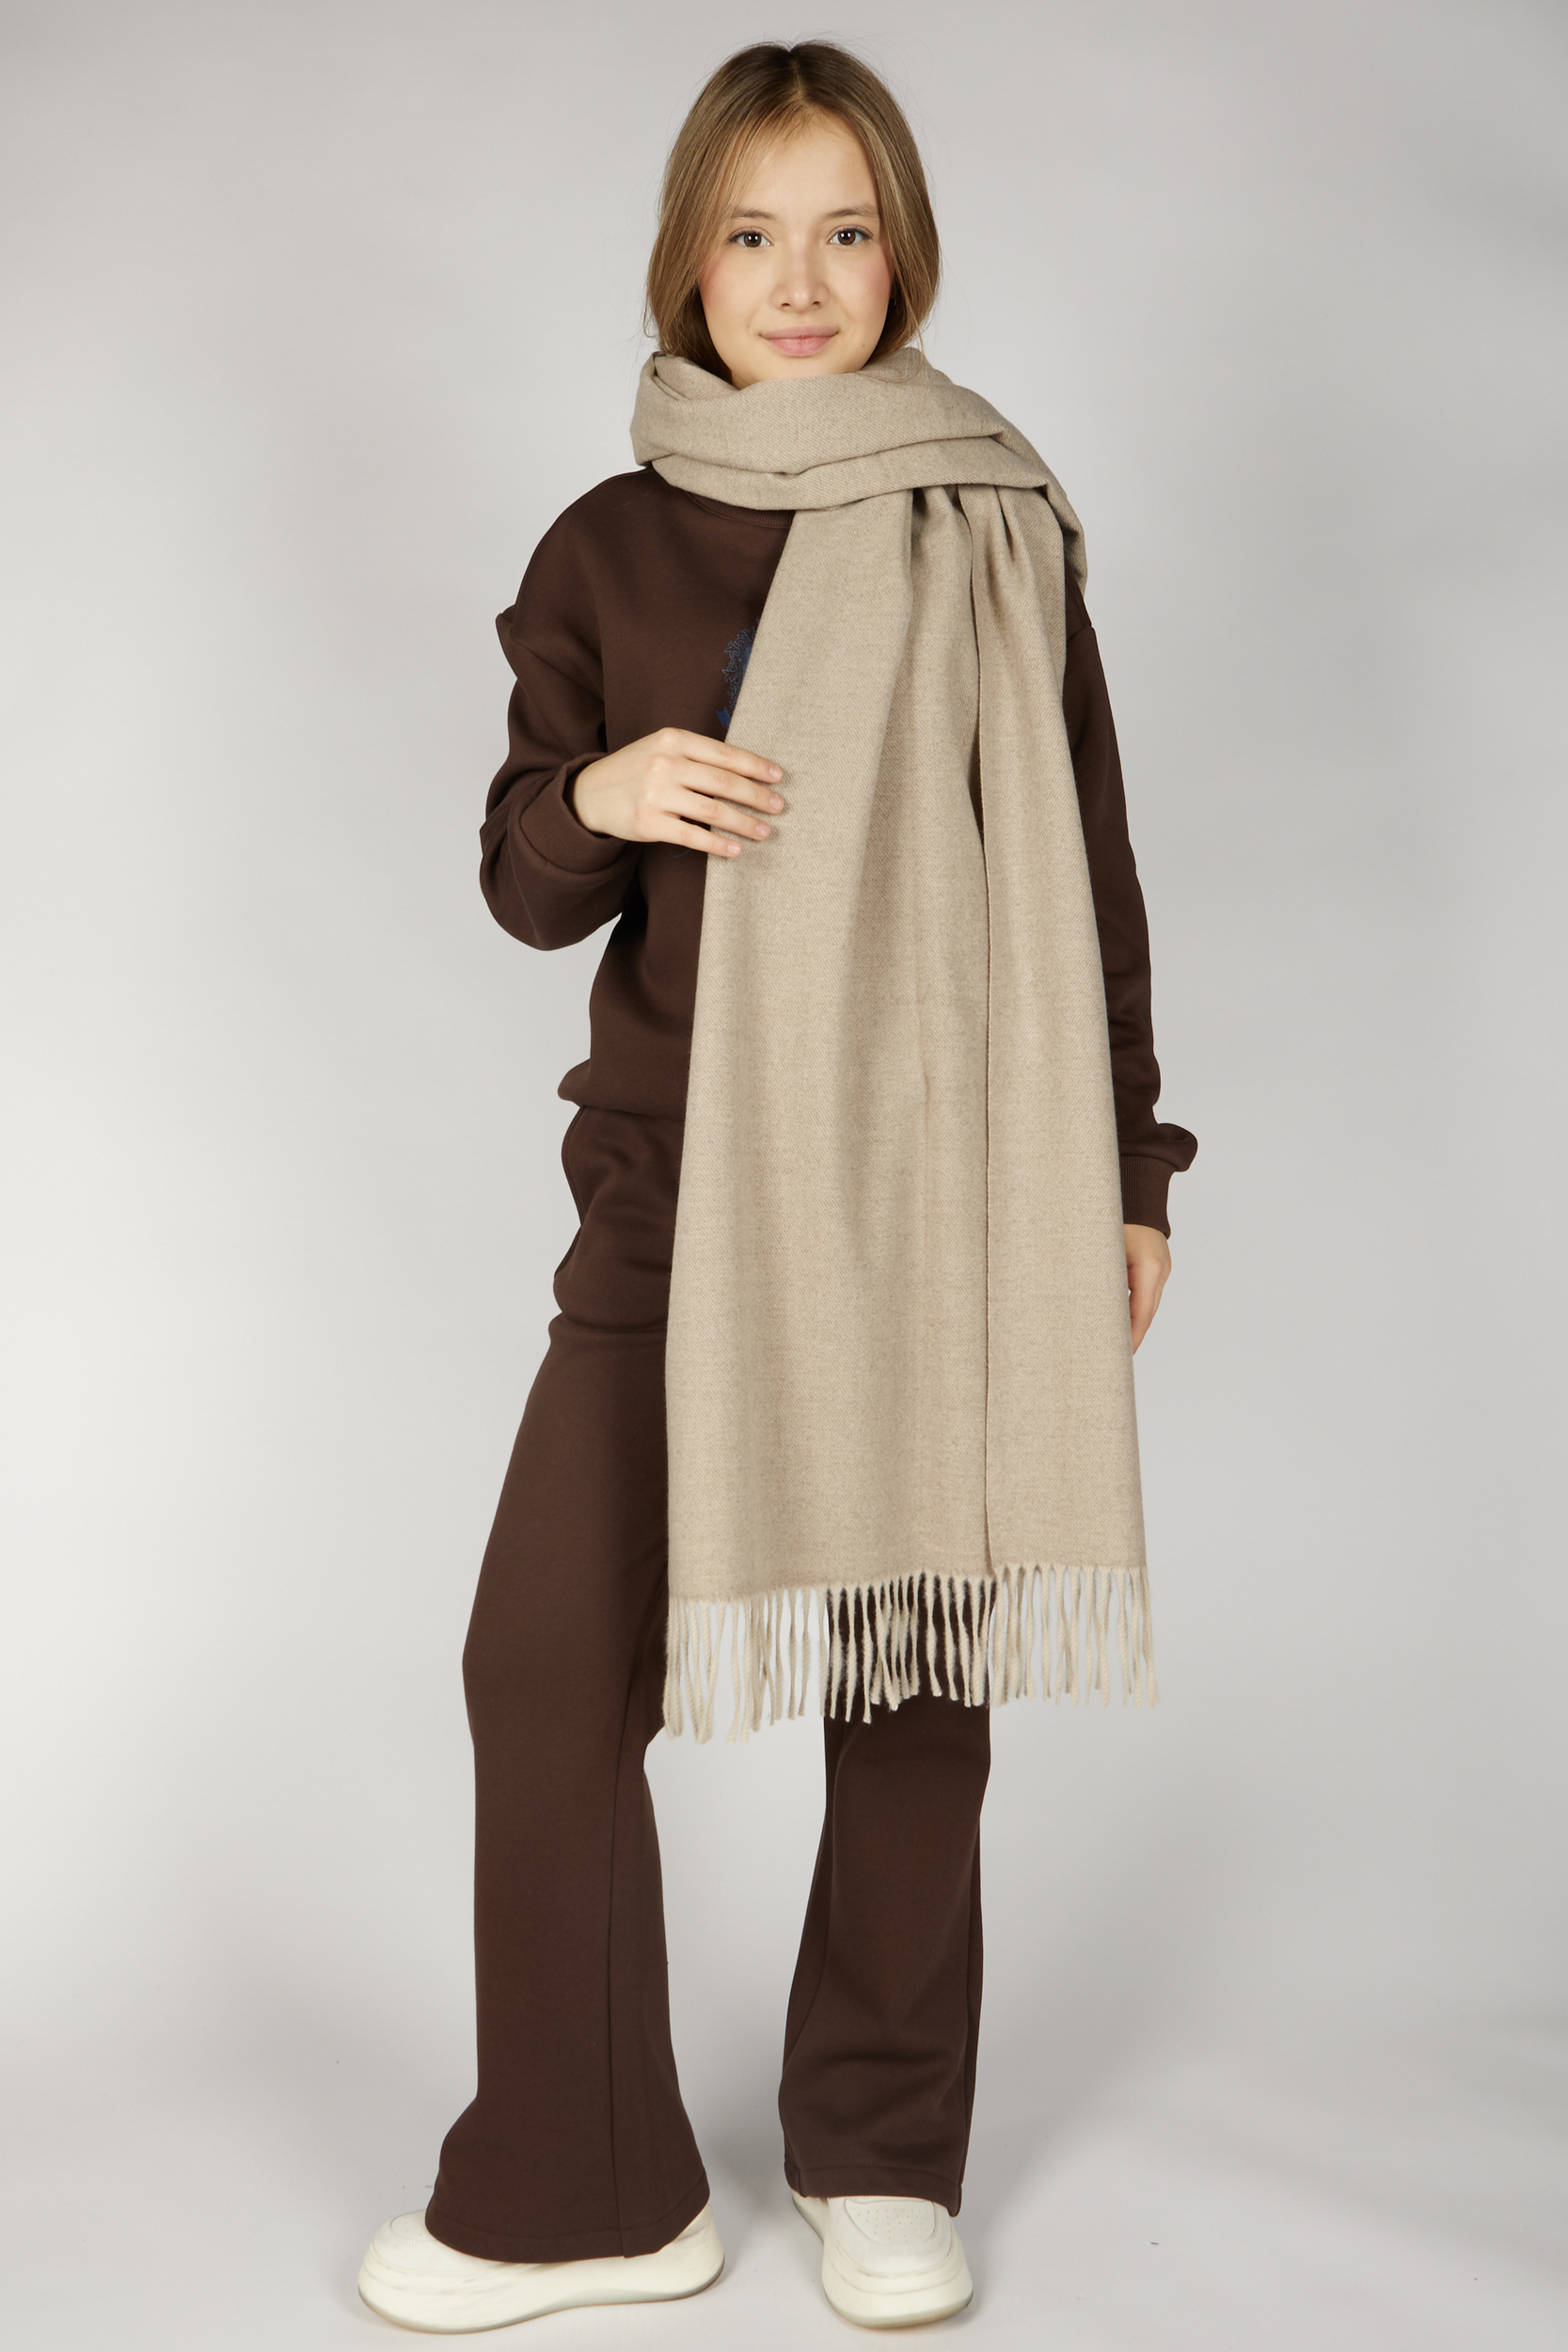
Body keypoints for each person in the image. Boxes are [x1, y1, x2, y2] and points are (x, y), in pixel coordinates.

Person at [357, 38, 1196, 2336]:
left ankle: (882, 2144)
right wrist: (604, 791)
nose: (799, 280)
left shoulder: (995, 524)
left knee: (909, 1669)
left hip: (950, 1185)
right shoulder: (607, 545)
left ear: (902, 255)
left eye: (845, 232)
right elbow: (523, 879)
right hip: (675, 1196)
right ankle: (591, 2181)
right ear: (688, 259)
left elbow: (1088, 875)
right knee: (543, 1667)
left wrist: (1129, 1165)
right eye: (751, 232)